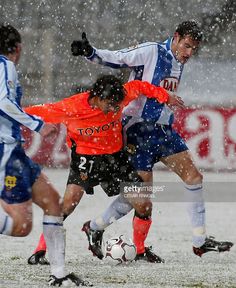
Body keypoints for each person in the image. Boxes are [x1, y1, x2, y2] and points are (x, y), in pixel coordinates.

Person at [70, 20, 234, 258]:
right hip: (138, 129)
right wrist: (91, 53)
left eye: (193, 49)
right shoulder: (152, 51)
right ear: (176, 37)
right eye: (186, 45)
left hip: (163, 130)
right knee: (141, 198)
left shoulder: (179, 60)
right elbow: (119, 58)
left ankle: (200, 240)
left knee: (193, 177)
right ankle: (98, 228)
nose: (189, 53)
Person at [25, 75, 185, 264]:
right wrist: (34, 124)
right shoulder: (72, 107)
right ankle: (40, 251)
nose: (115, 109)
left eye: (118, 105)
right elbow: (28, 112)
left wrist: (164, 96)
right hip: (86, 158)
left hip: (115, 158)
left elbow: (139, 86)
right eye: (110, 104)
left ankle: (136, 249)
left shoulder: (120, 94)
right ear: (97, 97)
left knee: (143, 203)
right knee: (69, 204)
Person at [0, 23, 91, 287]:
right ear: (18, 48)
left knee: (52, 202)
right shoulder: (6, 65)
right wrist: (37, 124)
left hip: (14, 150)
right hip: (5, 151)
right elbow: (4, 102)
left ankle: (60, 273)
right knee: (21, 227)